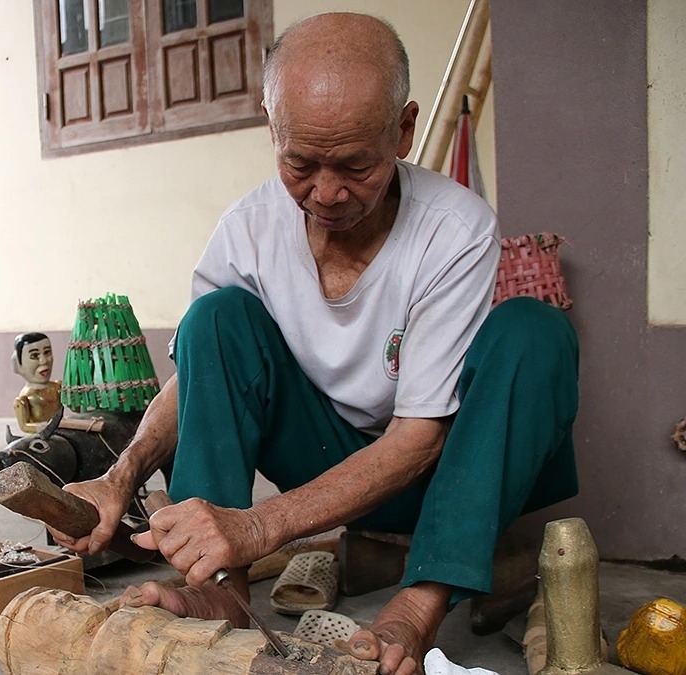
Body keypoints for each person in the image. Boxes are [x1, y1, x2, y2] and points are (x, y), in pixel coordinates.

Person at [49, 12, 579, 675]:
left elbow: (420, 435)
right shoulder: (247, 231)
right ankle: (220, 590)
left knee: (535, 331)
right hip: (322, 464)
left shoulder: (454, 227)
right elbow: (199, 380)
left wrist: (257, 525)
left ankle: (418, 605)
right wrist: (118, 477)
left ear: (404, 131)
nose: (326, 192)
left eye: (355, 164)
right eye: (300, 162)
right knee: (216, 317)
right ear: (273, 131)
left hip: (451, 470)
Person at [12, 332, 63, 433]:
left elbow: (77, 410)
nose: (44, 361)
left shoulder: (58, 387)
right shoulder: (23, 400)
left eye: (47, 352)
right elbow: (24, 426)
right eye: (34, 355)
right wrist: (43, 427)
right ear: (18, 363)